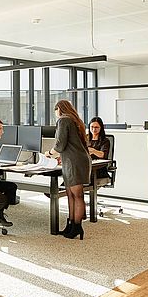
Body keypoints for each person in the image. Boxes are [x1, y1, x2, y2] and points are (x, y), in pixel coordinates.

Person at [45, 100, 91, 240]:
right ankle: (71, 224)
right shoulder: (74, 120)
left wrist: (49, 153)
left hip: (74, 162)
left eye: (56, 111)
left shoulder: (63, 120)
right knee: (71, 194)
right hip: (74, 160)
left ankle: (77, 226)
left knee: (77, 195)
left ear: (59, 109)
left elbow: (60, 144)